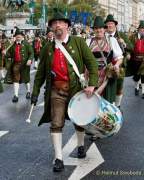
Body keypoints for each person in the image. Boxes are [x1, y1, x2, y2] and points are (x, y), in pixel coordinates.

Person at [31, 10, 98, 172]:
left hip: (76, 89)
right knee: (56, 123)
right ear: (52, 28)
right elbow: (40, 73)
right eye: (54, 23)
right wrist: (34, 92)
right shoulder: (48, 48)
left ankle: (81, 146)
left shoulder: (78, 42)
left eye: (60, 22)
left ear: (67, 25)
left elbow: (92, 64)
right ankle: (59, 158)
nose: (57, 25)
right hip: (56, 90)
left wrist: (92, 84)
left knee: (79, 120)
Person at [105, 14, 127, 108]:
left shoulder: (121, 35)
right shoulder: (104, 35)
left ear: (115, 25)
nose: (109, 25)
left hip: (120, 66)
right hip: (106, 67)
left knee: (118, 87)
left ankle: (117, 106)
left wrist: (124, 44)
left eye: (111, 24)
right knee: (108, 88)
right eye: (108, 24)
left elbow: (130, 47)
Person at [6, 28, 34, 103]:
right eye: (17, 36)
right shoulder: (12, 45)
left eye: (19, 36)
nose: (18, 37)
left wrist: (30, 60)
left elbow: (31, 53)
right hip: (16, 64)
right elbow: (9, 54)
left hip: (25, 64)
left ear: (22, 37)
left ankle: (28, 92)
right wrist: (5, 53)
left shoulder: (26, 44)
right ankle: (15, 95)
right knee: (16, 79)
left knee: (26, 79)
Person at [129, 20, 144, 98]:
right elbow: (129, 46)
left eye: (143, 29)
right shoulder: (133, 36)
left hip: (143, 59)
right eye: (141, 29)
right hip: (135, 59)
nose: (142, 30)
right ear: (138, 29)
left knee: (143, 75)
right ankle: (136, 88)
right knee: (136, 75)